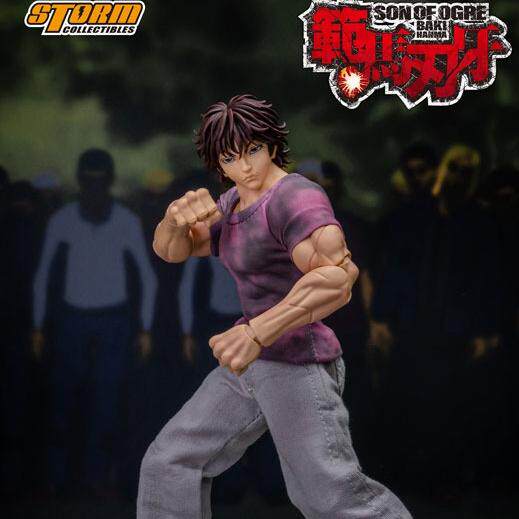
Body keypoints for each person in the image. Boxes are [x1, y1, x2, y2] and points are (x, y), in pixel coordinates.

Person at [137, 94, 412, 518]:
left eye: (253, 150)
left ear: (270, 144)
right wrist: (173, 220)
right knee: (169, 461)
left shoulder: (295, 198)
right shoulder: (233, 202)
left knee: (328, 495)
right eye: (230, 157)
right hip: (252, 364)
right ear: (218, 162)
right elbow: (174, 251)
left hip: (298, 362)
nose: (245, 166)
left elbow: (338, 277)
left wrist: (256, 331)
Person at [32, 148, 157, 495]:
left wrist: (145, 327)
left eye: (99, 182)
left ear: (110, 182)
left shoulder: (125, 221)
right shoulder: (64, 220)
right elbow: (42, 275)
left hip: (112, 321)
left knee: (106, 400)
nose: (94, 189)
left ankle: (94, 478)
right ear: (80, 182)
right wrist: (38, 326)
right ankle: (61, 478)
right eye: (89, 182)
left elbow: (147, 277)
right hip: (73, 319)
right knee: (64, 399)